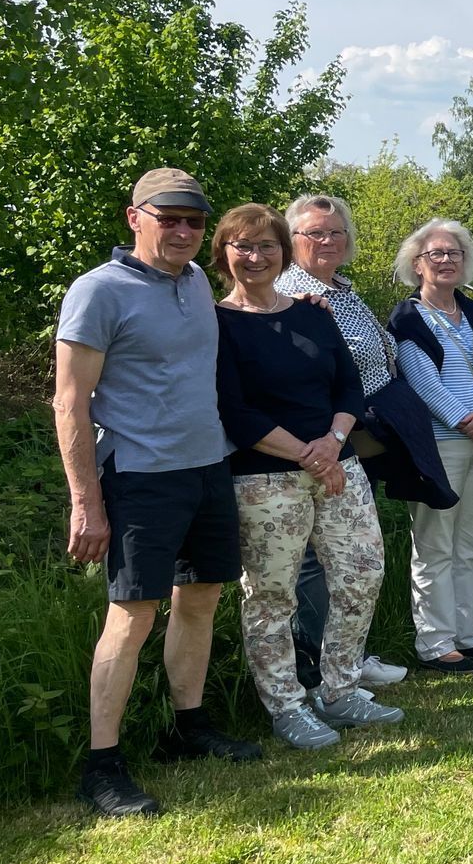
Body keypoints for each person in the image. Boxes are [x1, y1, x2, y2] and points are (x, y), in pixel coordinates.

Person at [54, 168, 261, 816]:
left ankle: (188, 729)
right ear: (134, 218)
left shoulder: (195, 280)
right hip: (139, 476)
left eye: (194, 221)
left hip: (207, 466)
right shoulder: (98, 291)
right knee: (133, 613)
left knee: (199, 598)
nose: (183, 230)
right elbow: (69, 402)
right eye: (168, 218)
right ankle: (102, 765)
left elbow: (251, 295)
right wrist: (85, 502)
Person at [211, 204, 401, 748]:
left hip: (339, 465)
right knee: (271, 595)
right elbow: (234, 409)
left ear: (283, 251)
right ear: (223, 254)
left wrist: (333, 443)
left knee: (361, 574)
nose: (256, 257)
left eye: (267, 245)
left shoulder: (314, 313)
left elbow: (348, 385)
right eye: (243, 246)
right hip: (265, 477)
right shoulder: (217, 324)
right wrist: (308, 454)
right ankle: (286, 705)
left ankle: (340, 690)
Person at [278, 192, 416, 692]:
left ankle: (348, 656)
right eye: (315, 233)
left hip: (356, 437)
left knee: (348, 557)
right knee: (315, 559)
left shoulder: (340, 289)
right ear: (291, 239)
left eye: (336, 232)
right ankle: (316, 666)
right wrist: (332, 438)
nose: (328, 241)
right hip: (315, 442)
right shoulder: (293, 295)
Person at [388, 219, 473, 673]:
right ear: (417, 264)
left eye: (453, 253)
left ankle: (466, 634)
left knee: (472, 545)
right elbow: (426, 386)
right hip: (438, 447)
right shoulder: (407, 319)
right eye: (435, 254)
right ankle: (435, 642)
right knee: (435, 545)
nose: (445, 260)